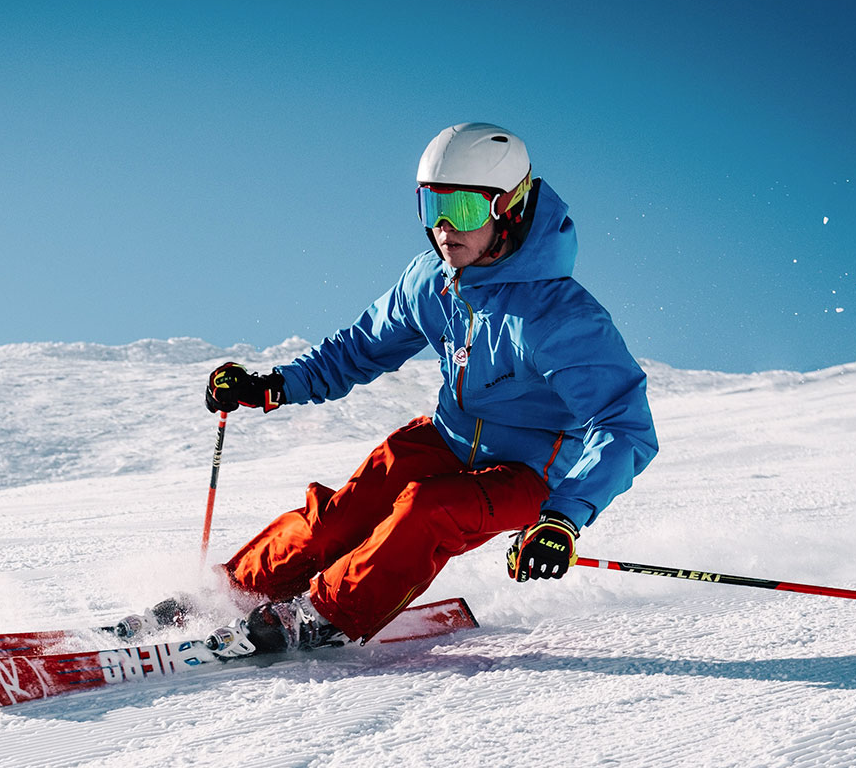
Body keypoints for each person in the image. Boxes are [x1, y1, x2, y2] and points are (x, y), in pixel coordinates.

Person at [202, 122, 657, 657]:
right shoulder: (432, 280)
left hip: (530, 473)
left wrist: (564, 517)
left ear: (508, 207)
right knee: (341, 518)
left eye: (463, 210)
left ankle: (323, 616)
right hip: (447, 438)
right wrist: (273, 384)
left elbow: (623, 428)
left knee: (428, 508)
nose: (443, 229)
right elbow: (358, 348)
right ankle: (229, 593)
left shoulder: (559, 317)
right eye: (431, 207)